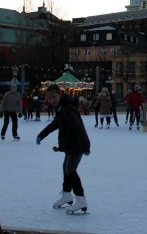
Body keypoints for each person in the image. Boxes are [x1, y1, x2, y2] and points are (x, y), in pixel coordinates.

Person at [36, 84, 91, 214]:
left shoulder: (67, 109)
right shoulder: (61, 108)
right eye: (49, 98)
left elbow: (78, 127)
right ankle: (67, 194)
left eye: (54, 96)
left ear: (60, 94)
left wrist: (85, 146)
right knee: (66, 168)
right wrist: (41, 135)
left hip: (77, 145)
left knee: (70, 170)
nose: (52, 100)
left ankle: (81, 198)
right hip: (70, 145)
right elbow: (56, 124)